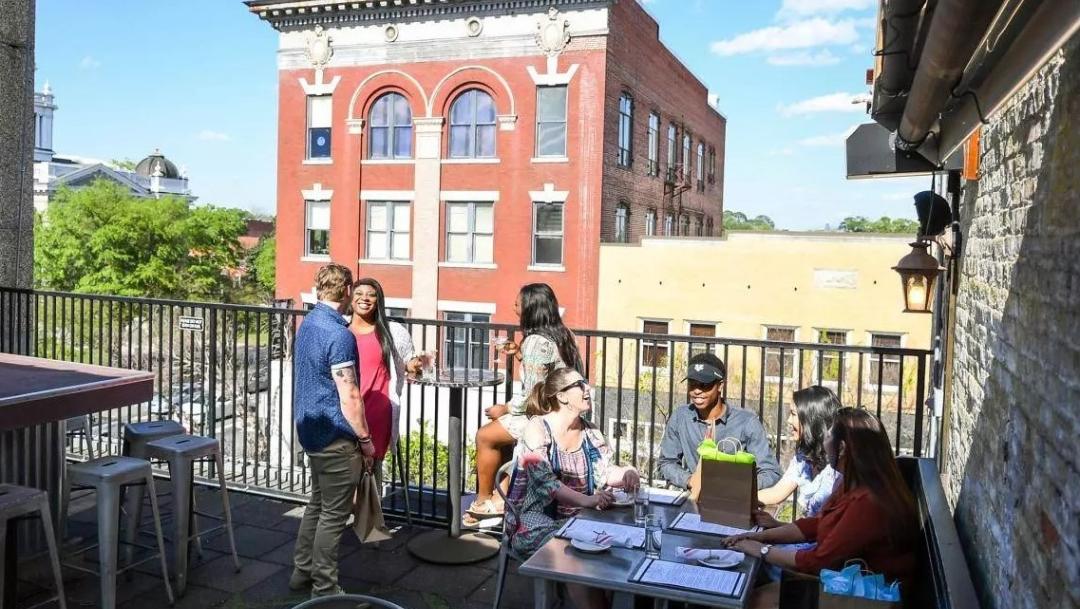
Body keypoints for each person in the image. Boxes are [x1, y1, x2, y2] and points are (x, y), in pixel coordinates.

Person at [722, 408, 918, 590]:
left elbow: (818, 562)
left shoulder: (868, 503)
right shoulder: (855, 483)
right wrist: (759, 537)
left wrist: (761, 550)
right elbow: (817, 524)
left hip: (859, 593)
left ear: (841, 448)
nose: (825, 442)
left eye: (828, 435)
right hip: (842, 582)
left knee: (742, 583)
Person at [504, 367, 639, 609]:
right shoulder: (537, 429)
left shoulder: (590, 431)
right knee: (574, 554)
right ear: (562, 396)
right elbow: (547, 484)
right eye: (580, 385)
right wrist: (588, 500)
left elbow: (605, 469)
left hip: (582, 519)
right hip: (536, 520)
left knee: (622, 547)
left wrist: (627, 473)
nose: (588, 390)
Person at [290, 263, 375, 598]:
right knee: (334, 515)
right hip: (335, 436)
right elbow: (351, 395)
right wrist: (366, 440)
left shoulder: (309, 323)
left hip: (310, 430)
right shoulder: (339, 334)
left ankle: (302, 572)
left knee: (317, 503)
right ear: (348, 291)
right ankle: (324, 588)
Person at [469, 283, 583, 518]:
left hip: (545, 418)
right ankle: (504, 494)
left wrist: (505, 408)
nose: (514, 307)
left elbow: (534, 391)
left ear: (530, 308)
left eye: (518, 303)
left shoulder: (535, 342)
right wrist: (520, 354)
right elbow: (550, 375)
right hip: (565, 414)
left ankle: (484, 502)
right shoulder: (563, 335)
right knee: (502, 436)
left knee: (486, 436)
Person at [346, 277, 429, 489]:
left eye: (371, 295)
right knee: (346, 472)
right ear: (350, 298)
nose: (365, 298)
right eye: (359, 293)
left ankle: (369, 519)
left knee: (370, 472)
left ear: (378, 301)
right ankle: (350, 516)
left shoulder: (392, 331)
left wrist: (419, 364)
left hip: (377, 410)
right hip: (345, 411)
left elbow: (409, 365)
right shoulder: (341, 330)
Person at [656, 352, 781, 490]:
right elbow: (666, 462)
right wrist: (690, 480)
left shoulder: (747, 422)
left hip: (735, 503)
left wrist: (739, 486)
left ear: (720, 386)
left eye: (704, 385)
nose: (697, 391)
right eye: (692, 384)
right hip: (694, 500)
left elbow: (771, 472)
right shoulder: (680, 417)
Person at [755, 385, 842, 521]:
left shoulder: (838, 467)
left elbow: (821, 527)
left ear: (812, 419)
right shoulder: (803, 456)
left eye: (793, 414)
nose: (789, 420)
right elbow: (776, 493)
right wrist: (736, 498)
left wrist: (777, 529)